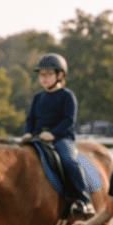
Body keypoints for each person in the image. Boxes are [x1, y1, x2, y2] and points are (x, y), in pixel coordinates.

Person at [21, 53, 91, 214]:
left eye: (48, 74)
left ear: (60, 75)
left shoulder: (67, 96)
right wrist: (27, 133)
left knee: (68, 161)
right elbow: (30, 119)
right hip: (37, 138)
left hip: (61, 138)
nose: (44, 78)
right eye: (41, 75)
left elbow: (68, 121)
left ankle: (83, 198)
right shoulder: (38, 97)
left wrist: (53, 134)